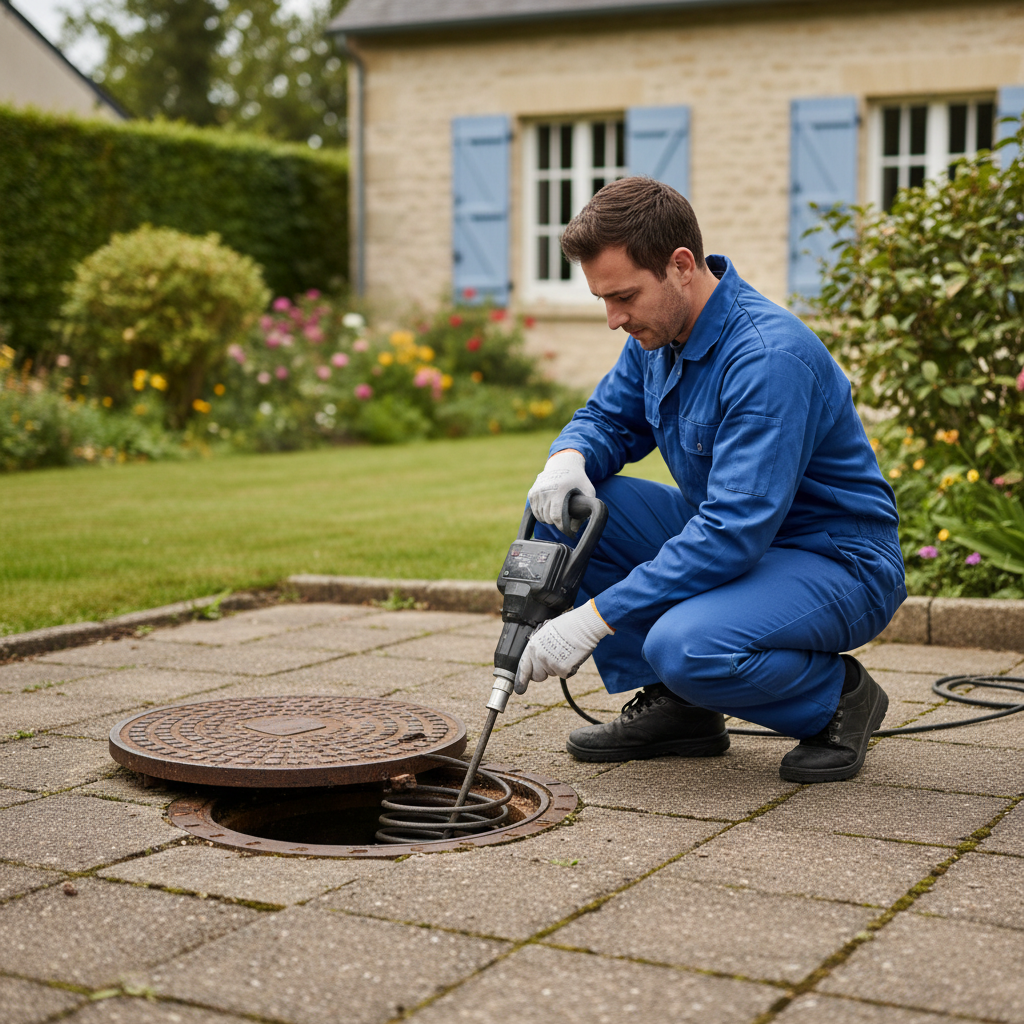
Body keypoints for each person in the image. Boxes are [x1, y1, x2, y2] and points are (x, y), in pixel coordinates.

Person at [515, 176, 906, 783]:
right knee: (579, 515)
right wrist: (570, 457)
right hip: (743, 541)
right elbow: (606, 419)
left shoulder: (767, 359)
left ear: (681, 266)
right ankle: (682, 709)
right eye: (603, 301)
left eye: (624, 297)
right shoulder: (660, 333)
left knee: (685, 645)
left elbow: (730, 535)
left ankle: (838, 698)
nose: (614, 319)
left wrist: (593, 617)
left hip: (835, 560)